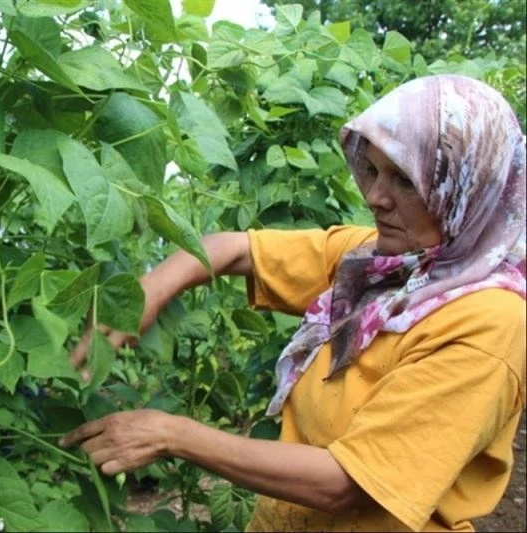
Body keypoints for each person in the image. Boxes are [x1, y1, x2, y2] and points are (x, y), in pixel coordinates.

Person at [58, 74, 526, 532]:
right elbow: (234, 248)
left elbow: (348, 484)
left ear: (468, 192)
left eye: (406, 180)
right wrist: (149, 292)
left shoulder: (487, 325)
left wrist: (173, 434)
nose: (376, 198)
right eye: (373, 170)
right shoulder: (383, 263)